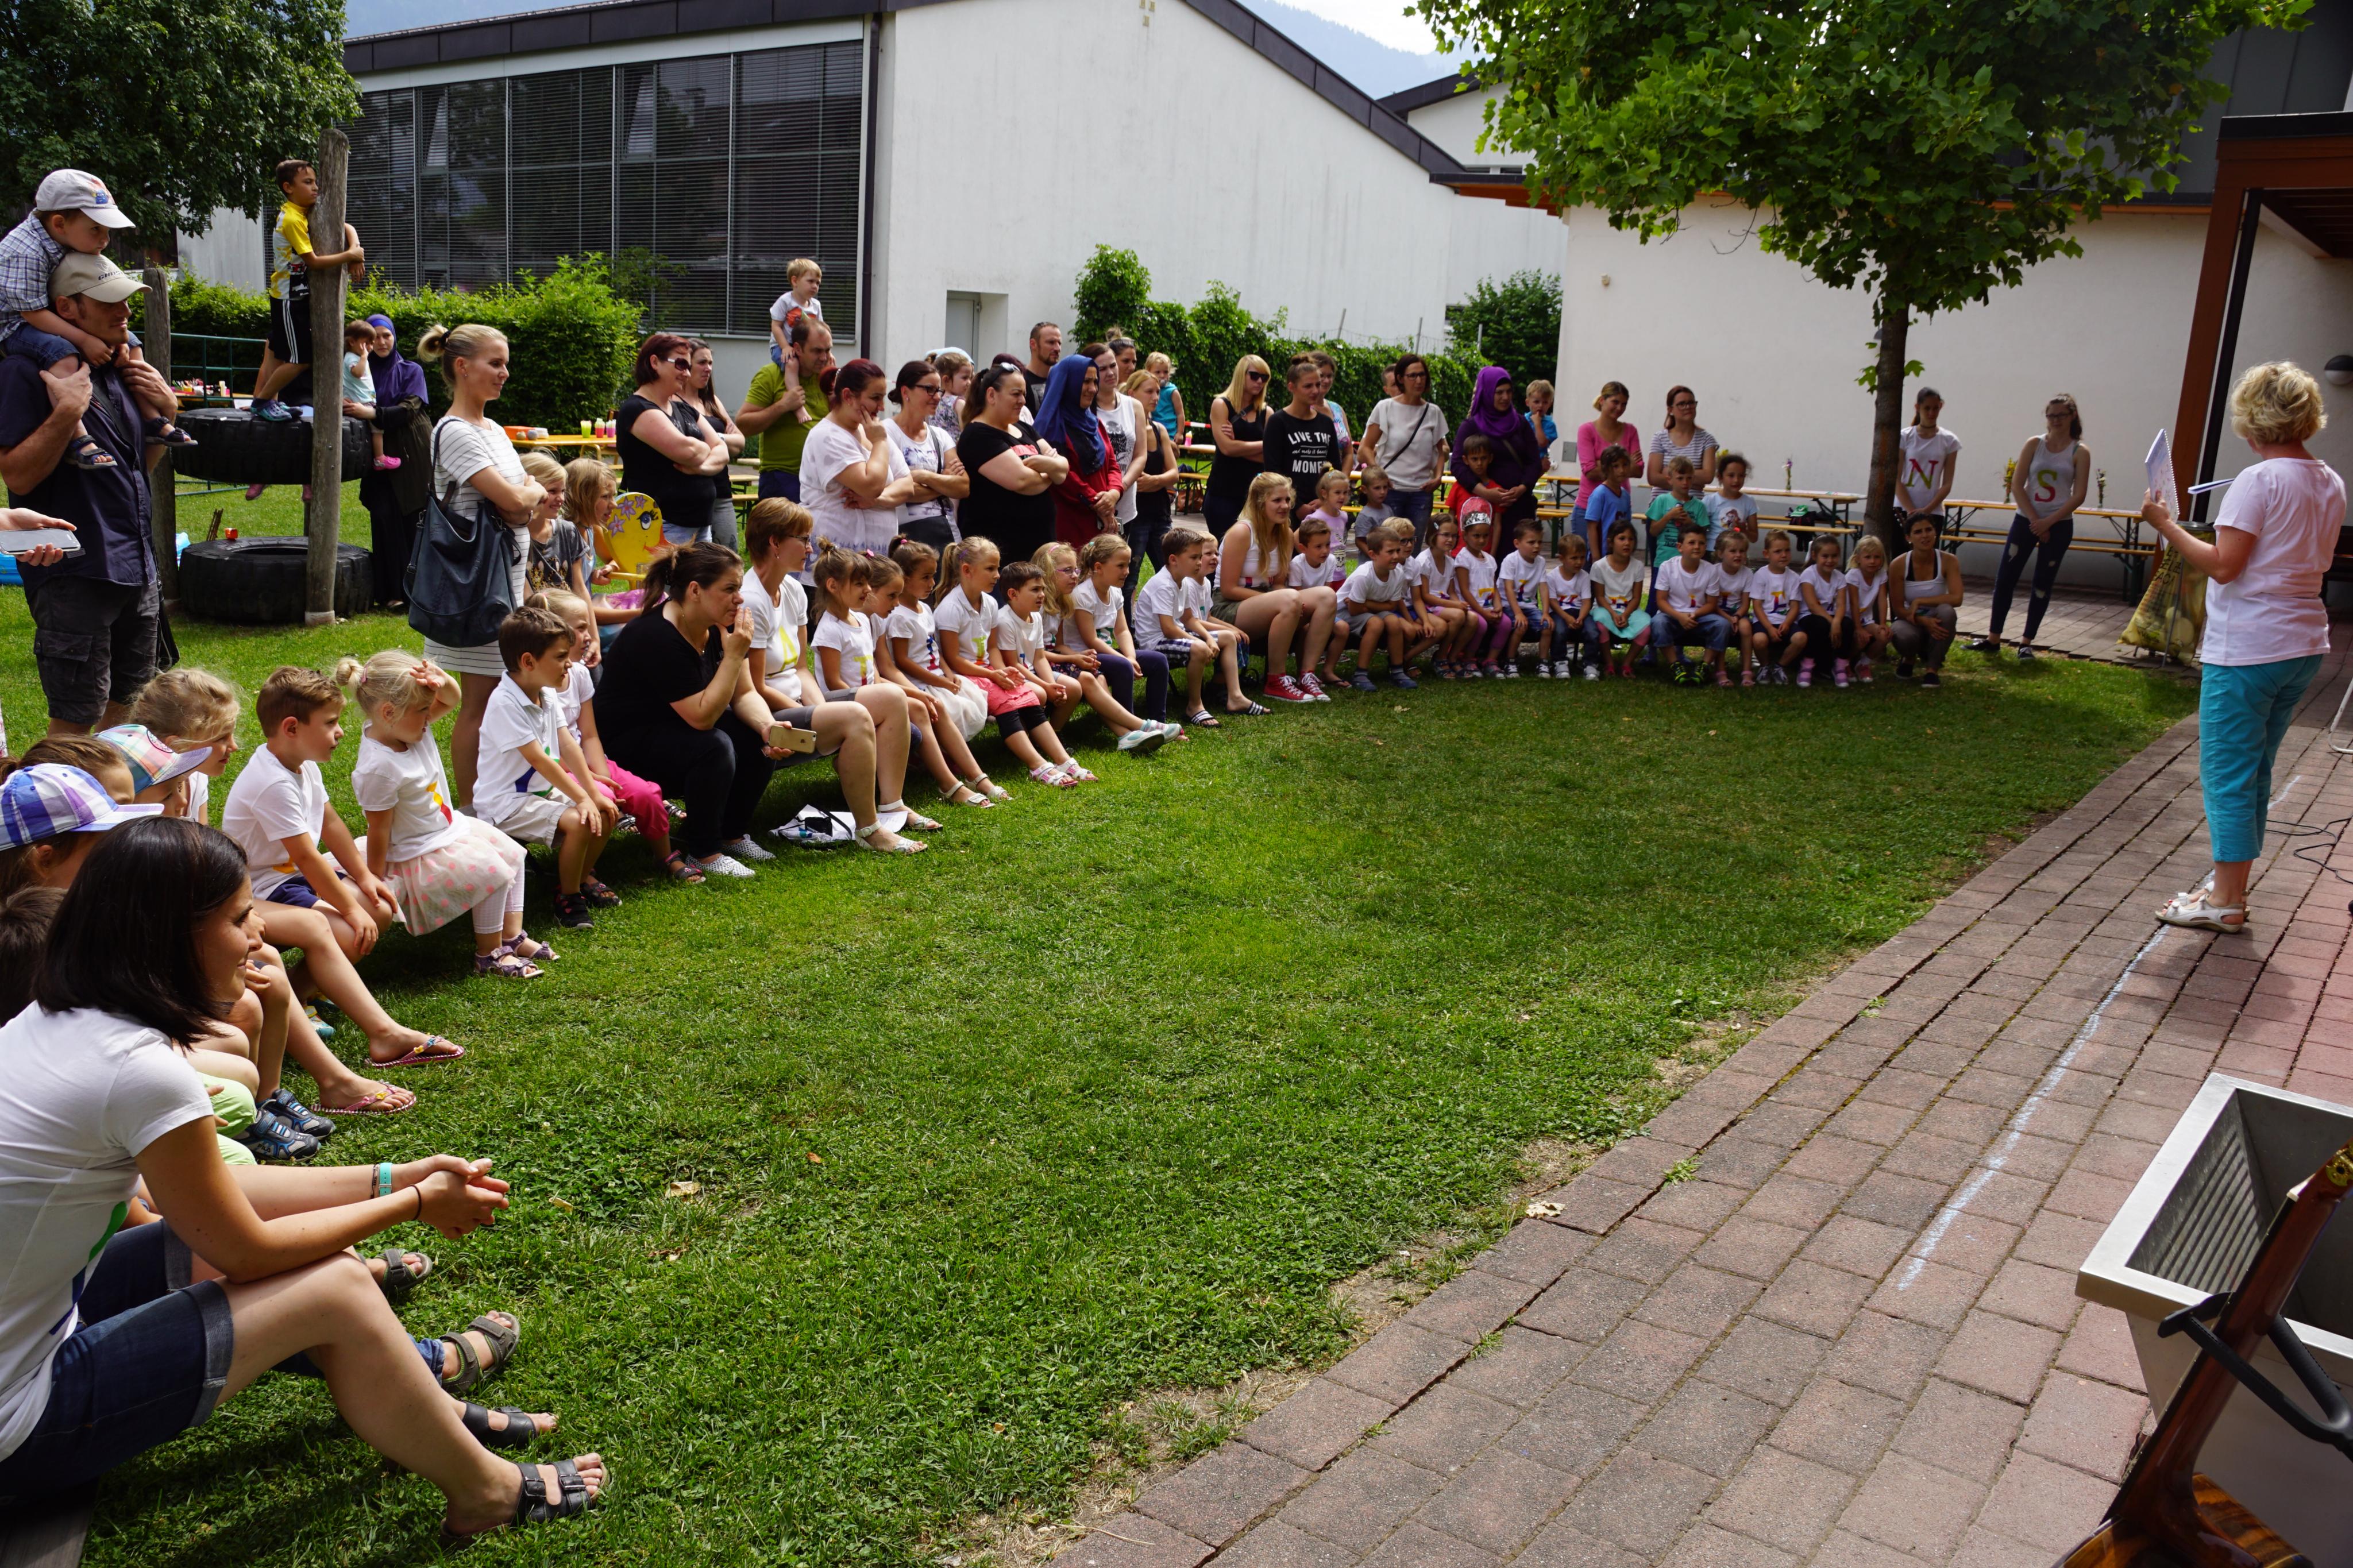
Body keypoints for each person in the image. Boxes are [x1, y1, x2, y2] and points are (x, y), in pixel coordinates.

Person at [0, 816, 608, 1535]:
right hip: (18, 1423)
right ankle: (489, 1492)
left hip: (38, 1330)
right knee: (333, 1286)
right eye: (238, 919)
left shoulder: (53, 1019)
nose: (259, 934)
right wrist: (414, 1203)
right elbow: (246, 1252)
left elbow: (217, 1198)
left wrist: (394, 1177)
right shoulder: (136, 1072)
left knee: (310, 1259)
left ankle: (424, 1405)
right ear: (170, 936)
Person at [2142, 362, 2343, 933]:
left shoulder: (2258, 480)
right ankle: (2229, 888)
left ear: (2254, 420)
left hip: (2250, 646)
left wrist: (2165, 525)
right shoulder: (2329, 479)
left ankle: (2226, 898)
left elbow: (2225, 566)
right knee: (2255, 770)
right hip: (2302, 643)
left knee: (2229, 773)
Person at [596, 542, 923, 863]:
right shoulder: (656, 635)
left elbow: (745, 694)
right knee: (715, 745)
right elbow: (701, 718)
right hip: (628, 748)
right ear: (695, 591)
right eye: (730, 589)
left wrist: (767, 726)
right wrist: (734, 656)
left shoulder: (719, 623)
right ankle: (704, 851)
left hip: (677, 725)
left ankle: (732, 835)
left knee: (757, 738)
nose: (739, 598)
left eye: (739, 588)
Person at [219, 666, 460, 1069]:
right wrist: (349, 908)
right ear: (292, 728)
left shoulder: (301, 765)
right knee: (349, 927)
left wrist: (366, 878)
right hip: (260, 888)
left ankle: (300, 991)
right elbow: (307, 857)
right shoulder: (272, 782)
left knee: (378, 908)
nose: (341, 731)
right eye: (330, 723)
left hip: (289, 880)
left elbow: (330, 823)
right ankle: (373, 1030)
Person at [2, 252, 174, 740]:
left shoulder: (118, 366)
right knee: (76, 722)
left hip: (136, 568)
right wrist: (66, 415)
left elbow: (138, 470)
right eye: (108, 302)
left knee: (130, 710)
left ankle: (109, 793)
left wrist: (167, 414)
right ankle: (58, 792)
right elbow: (18, 475)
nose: (124, 312)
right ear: (66, 307)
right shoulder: (25, 371)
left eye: (127, 301)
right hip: (75, 572)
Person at [337, 651, 539, 978]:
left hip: (448, 831)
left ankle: (512, 937)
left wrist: (441, 680)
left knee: (514, 855)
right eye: (423, 710)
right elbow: (379, 830)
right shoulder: (379, 768)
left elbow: (453, 698)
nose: (430, 716)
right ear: (388, 712)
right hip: (419, 851)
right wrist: (374, 877)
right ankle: (489, 954)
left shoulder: (405, 726)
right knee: (494, 873)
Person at [416, 323, 545, 809]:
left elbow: (522, 502)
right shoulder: (454, 431)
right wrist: (526, 496)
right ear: (462, 367)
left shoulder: (492, 430)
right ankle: (473, 808)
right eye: (495, 363)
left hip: (501, 580)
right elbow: (516, 498)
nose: (505, 373)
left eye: (505, 363)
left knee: (497, 697)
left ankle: (496, 797)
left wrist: (523, 500)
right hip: (474, 586)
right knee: (481, 700)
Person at [0, 171, 190, 469]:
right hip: (15, 325)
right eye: (96, 230)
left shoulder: (65, 239)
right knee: (62, 354)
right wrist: (85, 339)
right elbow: (32, 313)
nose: (105, 240)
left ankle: (153, 420)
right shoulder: (26, 251)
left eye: (107, 231)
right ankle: (78, 437)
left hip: (43, 315)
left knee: (132, 342)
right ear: (59, 224)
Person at [525, 587, 699, 880]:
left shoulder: (580, 674)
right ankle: (583, 872)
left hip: (587, 760)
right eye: (581, 628)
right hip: (556, 769)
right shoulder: (535, 685)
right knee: (599, 798)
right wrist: (592, 781)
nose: (589, 636)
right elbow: (546, 752)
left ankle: (665, 856)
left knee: (647, 794)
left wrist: (603, 774)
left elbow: (590, 735)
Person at [475, 608, 620, 930]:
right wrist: (582, 798)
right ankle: (567, 898)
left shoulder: (546, 692)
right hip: (506, 802)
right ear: (528, 662)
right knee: (581, 821)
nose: (569, 664)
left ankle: (578, 878)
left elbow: (567, 743)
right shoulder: (504, 703)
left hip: (539, 791)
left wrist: (593, 792)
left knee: (606, 811)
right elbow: (539, 759)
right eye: (560, 657)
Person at [934, 536, 1078, 782]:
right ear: (967, 571)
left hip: (987, 672)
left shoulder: (990, 603)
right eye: (990, 569)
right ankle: (1037, 765)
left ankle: (1063, 760)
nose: (997, 575)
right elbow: (953, 659)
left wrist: (1003, 673)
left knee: (1028, 696)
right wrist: (993, 675)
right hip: (965, 676)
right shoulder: (950, 608)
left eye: (997, 568)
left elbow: (992, 649)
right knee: (1009, 701)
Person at [880, 539, 1004, 801]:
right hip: (919, 681)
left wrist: (948, 674)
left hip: (937, 677)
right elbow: (903, 661)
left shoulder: (925, 608)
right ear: (905, 579)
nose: (932, 583)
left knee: (968, 703)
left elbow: (935, 651)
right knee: (948, 709)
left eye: (933, 576)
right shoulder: (899, 616)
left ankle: (961, 765)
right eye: (925, 577)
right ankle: (952, 765)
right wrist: (938, 682)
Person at [249, 159, 365, 424]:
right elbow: (313, 261)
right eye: (308, 182)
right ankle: (263, 402)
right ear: (288, 187)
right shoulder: (292, 219)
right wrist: (349, 256)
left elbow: (345, 225)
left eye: (315, 182)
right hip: (289, 298)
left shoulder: (303, 212)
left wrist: (355, 249)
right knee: (301, 359)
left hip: (296, 297)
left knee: (281, 354)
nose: (315, 188)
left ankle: (269, 402)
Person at [1975, 394, 2089, 660]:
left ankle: (2026, 642)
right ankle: (1993, 638)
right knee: (2006, 578)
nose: (2055, 421)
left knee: (2042, 583)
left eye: (2061, 415)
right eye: (2051, 416)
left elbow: (2079, 495)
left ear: (2072, 416)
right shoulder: (2034, 444)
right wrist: (2035, 520)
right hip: (2026, 519)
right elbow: (2017, 485)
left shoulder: (2080, 451)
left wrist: (2049, 522)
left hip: (2058, 524)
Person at [1028, 543, 1168, 751]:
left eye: (1076, 570)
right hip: (1036, 664)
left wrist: (1078, 656)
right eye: (1068, 571)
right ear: (1048, 572)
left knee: (1099, 676)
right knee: (1095, 675)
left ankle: (1127, 734)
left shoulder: (1061, 603)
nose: (1075, 576)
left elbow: (1059, 645)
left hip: (1054, 659)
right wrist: (1074, 657)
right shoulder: (1037, 608)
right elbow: (1037, 653)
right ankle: (1137, 726)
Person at [1215, 470, 1328, 706]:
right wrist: (1283, 600)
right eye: (1277, 500)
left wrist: (1285, 599)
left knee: (1326, 596)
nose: (1285, 506)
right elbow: (1228, 589)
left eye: (1287, 500)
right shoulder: (1242, 532)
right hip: (1228, 607)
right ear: (1259, 503)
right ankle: (1276, 680)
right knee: (1289, 598)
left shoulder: (1285, 533)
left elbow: (1277, 583)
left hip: (1265, 601)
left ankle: (1307, 675)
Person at [616, 332, 729, 549]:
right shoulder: (637, 409)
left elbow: (722, 450)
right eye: (680, 365)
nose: (687, 373)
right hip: (663, 527)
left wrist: (701, 468)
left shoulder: (682, 409)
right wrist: (704, 448)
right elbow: (687, 451)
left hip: (700, 526)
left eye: (689, 367)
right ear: (655, 362)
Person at [803, 359, 919, 558]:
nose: (881, 407)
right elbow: (871, 485)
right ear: (848, 396)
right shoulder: (827, 436)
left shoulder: (872, 431)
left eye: (883, 398)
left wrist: (875, 501)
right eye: (875, 398)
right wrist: (880, 442)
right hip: (838, 560)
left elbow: (907, 486)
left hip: (876, 560)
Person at [1136, 527, 1249, 728]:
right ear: (1174, 560)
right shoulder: (1163, 584)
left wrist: (1208, 637)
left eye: (1199, 557)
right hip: (1155, 643)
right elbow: (1169, 629)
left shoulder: (1184, 581)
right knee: (1198, 648)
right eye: (1194, 557)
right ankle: (1194, 706)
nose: (1199, 562)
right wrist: (1200, 642)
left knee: (1227, 637)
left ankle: (1235, 696)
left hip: (1173, 636)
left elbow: (1189, 619)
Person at [1062, 532, 1175, 731]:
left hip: (1105, 654)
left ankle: (1159, 721)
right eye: (1121, 566)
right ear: (1099, 568)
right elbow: (1091, 640)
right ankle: (1132, 726)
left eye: (1128, 565)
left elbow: (1122, 630)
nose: (1127, 571)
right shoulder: (1083, 595)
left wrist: (1131, 656)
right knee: (1122, 666)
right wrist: (1125, 660)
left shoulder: (1115, 592)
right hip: (1084, 656)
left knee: (1158, 661)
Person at [955, 362, 1064, 563]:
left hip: (1038, 547)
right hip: (1003, 554)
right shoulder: (978, 435)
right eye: (1016, 394)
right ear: (991, 395)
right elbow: (1023, 481)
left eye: (1024, 394)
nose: (1023, 401)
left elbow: (1064, 468)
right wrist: (1051, 470)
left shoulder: (1024, 428)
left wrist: (1045, 466)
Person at [356, 315, 431, 610]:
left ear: (394, 337)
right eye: (374, 336)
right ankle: (389, 592)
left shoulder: (411, 370)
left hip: (410, 455)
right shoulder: (360, 371)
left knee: (411, 520)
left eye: (386, 335)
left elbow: (409, 409)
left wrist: (373, 414)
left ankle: (414, 592)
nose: (382, 342)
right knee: (384, 517)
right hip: (376, 459)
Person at [738, 314, 834, 502]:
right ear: (797, 348)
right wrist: (782, 406)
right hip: (783, 477)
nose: (824, 358)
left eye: (828, 350)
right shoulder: (771, 375)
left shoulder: (827, 377)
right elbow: (742, 426)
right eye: (817, 351)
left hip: (823, 477)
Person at [1032, 350, 1121, 547]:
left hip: (1101, 517)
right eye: (1086, 382)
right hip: (1069, 521)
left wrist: (1114, 494)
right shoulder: (1049, 427)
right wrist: (1098, 503)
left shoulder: (1095, 423)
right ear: (1068, 383)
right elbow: (1063, 476)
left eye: (1095, 382)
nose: (1093, 389)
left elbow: (1112, 464)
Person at [1360, 354, 1451, 548]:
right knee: (1387, 546)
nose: (1419, 381)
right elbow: (1366, 447)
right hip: (1391, 490)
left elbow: (1440, 450)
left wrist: (1438, 477)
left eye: (1422, 375)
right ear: (1401, 378)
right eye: (1413, 376)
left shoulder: (1433, 412)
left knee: (1413, 548)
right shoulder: (1385, 407)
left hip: (1421, 492)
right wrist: (1380, 474)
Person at [887, 360, 966, 554]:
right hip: (905, 537)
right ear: (905, 392)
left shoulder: (940, 436)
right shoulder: (886, 433)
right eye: (930, 389)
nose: (937, 397)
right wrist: (944, 482)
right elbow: (901, 491)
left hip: (946, 532)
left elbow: (963, 487)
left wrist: (925, 476)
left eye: (938, 390)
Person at [1452, 367, 1544, 534]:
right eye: (1499, 392)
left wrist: (1522, 488)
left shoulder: (1521, 424)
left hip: (1519, 507)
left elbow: (1534, 461)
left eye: (1509, 392)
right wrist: (1485, 492)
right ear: (1487, 393)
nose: (1505, 397)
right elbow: (1458, 465)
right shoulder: (1471, 426)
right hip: (1483, 511)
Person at [1338, 522, 1421, 690]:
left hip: (1367, 609)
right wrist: (1373, 606)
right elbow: (1353, 609)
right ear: (1373, 555)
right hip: (1343, 613)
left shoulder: (1398, 573)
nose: (1396, 556)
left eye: (1397, 550)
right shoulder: (1364, 575)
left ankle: (1397, 671)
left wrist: (1367, 604)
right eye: (1390, 552)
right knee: (1376, 624)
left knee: (1394, 622)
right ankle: (1361, 674)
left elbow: (1392, 606)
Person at [1121, 368, 1182, 579]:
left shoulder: (1159, 430)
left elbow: (1174, 473)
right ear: (1132, 394)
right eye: (1149, 392)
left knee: (1172, 573)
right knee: (1129, 579)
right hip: (1135, 516)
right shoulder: (1125, 431)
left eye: (1158, 392)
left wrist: (1154, 481)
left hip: (1160, 514)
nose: (1156, 397)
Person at [1889, 512, 1964, 687]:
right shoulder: (1898, 565)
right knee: (1902, 633)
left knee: (1947, 612)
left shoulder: (1949, 560)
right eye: (1918, 532)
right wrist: (1923, 621)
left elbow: (1957, 598)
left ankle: (1932, 669)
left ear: (1935, 532)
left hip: (1937, 618)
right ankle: (1909, 659)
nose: (1925, 536)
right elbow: (1898, 609)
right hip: (1910, 620)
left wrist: (1920, 601)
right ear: (1908, 538)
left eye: (1929, 530)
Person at [686, 341, 747, 549]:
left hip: (721, 494)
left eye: (711, 363)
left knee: (728, 556)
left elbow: (740, 442)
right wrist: (722, 442)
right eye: (702, 362)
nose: (708, 369)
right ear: (685, 364)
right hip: (690, 497)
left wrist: (717, 439)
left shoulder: (711, 401)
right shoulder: (674, 403)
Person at [1205, 355, 1271, 536]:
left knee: (1254, 547)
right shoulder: (1221, 405)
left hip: (1255, 494)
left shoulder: (1267, 412)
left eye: (1265, 378)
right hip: (1223, 491)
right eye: (1255, 376)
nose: (1260, 382)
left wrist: (1236, 447)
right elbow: (1227, 448)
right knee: (1223, 545)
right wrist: (1264, 444)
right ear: (1242, 375)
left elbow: (1271, 455)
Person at [1264, 356, 1341, 511]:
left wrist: (1324, 500)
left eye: (1318, 385)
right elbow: (1273, 471)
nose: (1315, 391)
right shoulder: (1278, 422)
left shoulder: (1326, 423)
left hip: (1321, 507)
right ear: (1292, 387)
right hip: (1287, 507)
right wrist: (1297, 506)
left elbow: (1335, 467)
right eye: (1308, 386)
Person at [1091, 344, 1150, 546]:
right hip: (1095, 503)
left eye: (1113, 366)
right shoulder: (1084, 407)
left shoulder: (1134, 406)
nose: (1110, 373)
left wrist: (1119, 490)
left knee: (1119, 562)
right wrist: (1105, 499)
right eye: (1102, 369)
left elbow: (1140, 455)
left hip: (1125, 505)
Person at [1574, 381, 1641, 552]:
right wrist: (1626, 463)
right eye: (1615, 402)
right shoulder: (1586, 430)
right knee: (1586, 561)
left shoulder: (1631, 431)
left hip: (1619, 508)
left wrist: (1601, 463)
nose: (1620, 408)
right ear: (1602, 400)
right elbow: (1589, 471)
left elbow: (1639, 469)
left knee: (1616, 560)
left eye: (1624, 404)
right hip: (1587, 507)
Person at [1409, 515, 1474, 678]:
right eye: (1445, 535)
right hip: (1428, 605)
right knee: (1458, 615)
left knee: (1472, 618)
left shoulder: (1450, 561)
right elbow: (1425, 596)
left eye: (1454, 536)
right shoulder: (1424, 561)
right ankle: (1441, 657)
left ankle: (1452, 657)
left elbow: (1451, 592)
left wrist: (1459, 603)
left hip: (1443, 604)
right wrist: (1455, 606)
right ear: (1433, 534)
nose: (1450, 540)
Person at [1587, 521, 1651, 678]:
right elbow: (1600, 597)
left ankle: (1627, 663)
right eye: (1622, 539)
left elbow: (1636, 597)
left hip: (1629, 610)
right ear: (1610, 542)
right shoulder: (1599, 566)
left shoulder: (1637, 566)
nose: (1627, 543)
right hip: (1605, 609)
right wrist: (1614, 615)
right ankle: (1609, 663)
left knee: (1646, 628)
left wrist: (1626, 615)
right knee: (1601, 623)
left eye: (1631, 539)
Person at [1795, 534, 1855, 689]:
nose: (1830, 560)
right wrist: (1832, 622)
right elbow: (1813, 605)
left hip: (1832, 616)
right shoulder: (1809, 574)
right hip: (1810, 616)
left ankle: (1840, 666)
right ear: (1815, 556)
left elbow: (1841, 605)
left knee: (1847, 624)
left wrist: (1837, 622)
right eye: (1825, 556)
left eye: (1834, 556)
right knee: (1819, 625)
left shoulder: (1840, 577)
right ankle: (1807, 665)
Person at [1896, 388, 1959, 531]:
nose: (1932, 413)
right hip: (1903, 508)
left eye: (1935, 408)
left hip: (1933, 511)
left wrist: (1927, 510)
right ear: (1918, 408)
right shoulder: (1905, 437)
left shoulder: (1950, 441)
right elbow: (1897, 479)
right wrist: (1911, 511)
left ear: (1941, 407)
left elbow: (1947, 483)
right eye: (1927, 408)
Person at [341, 321, 399, 476]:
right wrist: (364, 357)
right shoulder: (352, 358)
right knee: (377, 429)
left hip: (364, 399)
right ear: (352, 342)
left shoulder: (357, 357)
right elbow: (358, 373)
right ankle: (380, 458)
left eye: (371, 344)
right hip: (361, 401)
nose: (371, 347)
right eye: (367, 343)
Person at [1750, 530, 1807, 687]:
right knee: (1759, 640)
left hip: (1784, 621)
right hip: (1765, 621)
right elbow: (1757, 606)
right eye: (1778, 551)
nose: (1784, 555)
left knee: (1801, 638)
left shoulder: (1794, 577)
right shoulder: (1761, 575)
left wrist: (1787, 623)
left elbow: (1795, 606)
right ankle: (1765, 666)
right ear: (1766, 554)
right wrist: (1769, 628)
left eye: (1787, 550)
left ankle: (1780, 666)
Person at [1495, 519, 1548, 677]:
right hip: (1508, 605)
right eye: (1531, 542)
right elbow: (1508, 589)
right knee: (1520, 625)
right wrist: (1518, 613)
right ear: (1517, 543)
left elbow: (1543, 588)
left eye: (1539, 542)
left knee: (1547, 626)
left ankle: (1543, 662)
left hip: (1529, 607)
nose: (1537, 546)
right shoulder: (1510, 560)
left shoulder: (1541, 562)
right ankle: (1510, 661)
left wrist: (1546, 613)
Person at [1540, 532, 1593, 679]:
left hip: (1579, 612)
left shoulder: (1584, 576)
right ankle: (1560, 662)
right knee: (1560, 630)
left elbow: (1587, 601)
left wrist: (1581, 618)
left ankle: (1590, 663)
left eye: (1582, 557)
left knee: (1592, 631)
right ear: (1562, 558)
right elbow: (1553, 601)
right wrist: (1567, 618)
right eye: (1574, 558)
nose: (1579, 562)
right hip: (1560, 613)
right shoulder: (1552, 577)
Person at [1645, 385, 1719, 490]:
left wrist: (1669, 472)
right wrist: (1693, 479)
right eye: (1682, 404)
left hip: (1693, 500)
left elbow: (1708, 476)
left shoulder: (1707, 439)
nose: (1688, 407)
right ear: (1670, 410)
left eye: (1691, 403)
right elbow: (1653, 478)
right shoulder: (1660, 438)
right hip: (1663, 499)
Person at [1646, 456, 1710, 568]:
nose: (1685, 482)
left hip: (1689, 563)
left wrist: (1689, 523)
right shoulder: (1661, 501)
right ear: (1670, 480)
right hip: (1664, 561)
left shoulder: (1699, 506)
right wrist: (1668, 516)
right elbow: (1653, 531)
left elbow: (1703, 535)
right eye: (1680, 478)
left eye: (1689, 478)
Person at [1845, 534, 1893, 682]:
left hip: (1866, 619)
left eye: (1877, 557)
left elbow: (1882, 599)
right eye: (1868, 557)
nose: (1873, 561)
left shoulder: (1881, 574)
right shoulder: (1853, 575)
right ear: (1858, 559)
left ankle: (1863, 664)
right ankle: (1845, 663)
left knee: (1884, 636)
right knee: (1862, 638)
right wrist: (1858, 628)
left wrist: (1883, 623)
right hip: (1848, 618)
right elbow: (1854, 603)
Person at [1714, 528, 1758, 687]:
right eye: (1733, 551)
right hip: (1717, 612)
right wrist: (1728, 618)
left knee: (1746, 628)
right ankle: (1720, 670)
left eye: (1742, 551)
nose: (1738, 555)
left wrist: (1737, 617)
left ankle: (1746, 671)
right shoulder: (1714, 572)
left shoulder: (1747, 574)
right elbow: (1711, 603)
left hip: (1737, 613)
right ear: (1720, 553)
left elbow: (1746, 604)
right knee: (1723, 627)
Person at [766, 257, 824, 372]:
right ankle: (792, 385)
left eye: (818, 283)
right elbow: (776, 326)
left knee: (825, 362)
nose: (815, 286)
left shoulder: (816, 305)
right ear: (795, 281)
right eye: (811, 281)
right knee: (792, 363)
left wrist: (826, 352)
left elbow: (821, 330)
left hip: (804, 347)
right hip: (781, 346)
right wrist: (785, 347)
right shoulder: (785, 301)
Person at [1708, 453, 1759, 548]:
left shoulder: (1749, 502)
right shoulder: (1710, 501)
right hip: (1713, 551)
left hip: (1737, 552)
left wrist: (1744, 530)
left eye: (1741, 476)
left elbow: (1754, 538)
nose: (1736, 480)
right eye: (1731, 476)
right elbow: (1701, 529)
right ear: (1720, 477)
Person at [1351, 467, 1398, 562]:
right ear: (1364, 489)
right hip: (1370, 563)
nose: (1382, 492)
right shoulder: (1365, 515)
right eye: (1377, 488)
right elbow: (1359, 541)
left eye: (1385, 487)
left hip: (1386, 561)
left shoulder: (1388, 510)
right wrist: (1374, 556)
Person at [928, 350, 974, 440]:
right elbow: (968, 436)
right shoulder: (959, 403)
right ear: (947, 380)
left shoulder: (931, 400)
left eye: (970, 378)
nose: (969, 383)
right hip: (955, 448)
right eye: (965, 378)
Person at [1021, 322, 1064, 414]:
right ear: (1033, 344)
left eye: (1059, 343)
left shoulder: (1060, 381)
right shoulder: (1021, 380)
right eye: (1051, 342)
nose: (1058, 349)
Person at [1144, 352, 1185, 446]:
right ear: (1148, 372)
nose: (1162, 376)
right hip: (1153, 431)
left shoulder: (1172, 391)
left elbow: (1180, 413)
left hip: (1169, 434)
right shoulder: (1146, 389)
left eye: (1166, 372)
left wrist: (1180, 433)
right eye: (1158, 372)